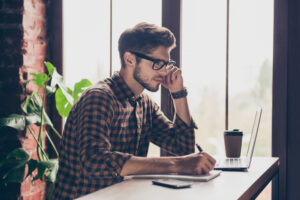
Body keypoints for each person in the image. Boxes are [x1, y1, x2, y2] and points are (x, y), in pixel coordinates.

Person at [52, 22, 216, 199]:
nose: (164, 71)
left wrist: (178, 93)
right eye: (158, 63)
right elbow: (95, 162)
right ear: (129, 59)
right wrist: (176, 164)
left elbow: (184, 148)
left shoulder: (144, 104)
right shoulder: (99, 98)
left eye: (166, 64)